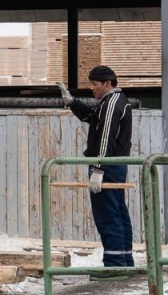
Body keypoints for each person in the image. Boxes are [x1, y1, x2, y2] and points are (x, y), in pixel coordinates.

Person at [57, 66, 134, 280]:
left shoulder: (112, 105)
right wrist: (72, 103)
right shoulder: (113, 102)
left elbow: (105, 139)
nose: (92, 88)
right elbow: (93, 118)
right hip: (115, 165)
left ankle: (114, 266)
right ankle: (125, 262)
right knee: (118, 212)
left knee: (108, 216)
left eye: (95, 84)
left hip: (107, 166)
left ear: (107, 83)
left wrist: (98, 169)